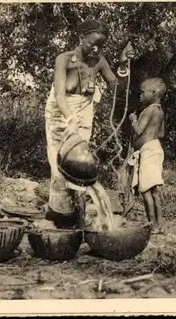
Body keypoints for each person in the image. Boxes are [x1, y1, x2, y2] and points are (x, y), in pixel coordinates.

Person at [44, 19, 135, 228]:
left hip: (84, 117)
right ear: (80, 38)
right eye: (92, 43)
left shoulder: (99, 62)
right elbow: (59, 95)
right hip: (60, 116)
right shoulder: (64, 59)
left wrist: (122, 65)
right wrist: (70, 120)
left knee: (81, 166)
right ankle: (60, 216)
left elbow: (117, 91)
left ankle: (79, 217)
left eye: (101, 45)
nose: (96, 49)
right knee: (59, 168)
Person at [127, 77, 166, 234]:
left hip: (148, 151)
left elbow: (138, 130)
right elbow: (161, 133)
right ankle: (159, 224)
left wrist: (133, 119)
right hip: (156, 148)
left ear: (154, 93)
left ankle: (153, 225)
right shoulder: (160, 111)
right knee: (154, 190)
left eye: (143, 93)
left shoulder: (148, 110)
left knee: (146, 190)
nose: (140, 96)